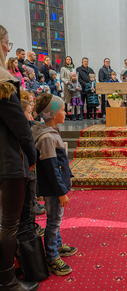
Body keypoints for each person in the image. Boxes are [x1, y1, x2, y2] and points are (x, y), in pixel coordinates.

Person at [0, 24, 39, 291]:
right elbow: (21, 128)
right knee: (8, 223)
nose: (7, 48)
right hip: (7, 161)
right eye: (7, 43)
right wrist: (32, 155)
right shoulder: (3, 81)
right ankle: (6, 282)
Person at [32, 93, 77, 276]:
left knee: (56, 219)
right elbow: (51, 168)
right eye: (63, 110)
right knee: (54, 221)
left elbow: (59, 163)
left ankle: (57, 246)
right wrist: (61, 192)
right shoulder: (47, 138)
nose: (66, 113)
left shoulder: (50, 132)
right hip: (53, 189)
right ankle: (52, 257)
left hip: (56, 187)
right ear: (52, 114)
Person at [20, 99, 45, 236]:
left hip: (26, 168)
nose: (32, 115)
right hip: (26, 169)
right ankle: (29, 231)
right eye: (29, 112)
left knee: (29, 201)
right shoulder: (23, 128)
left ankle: (29, 227)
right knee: (28, 203)